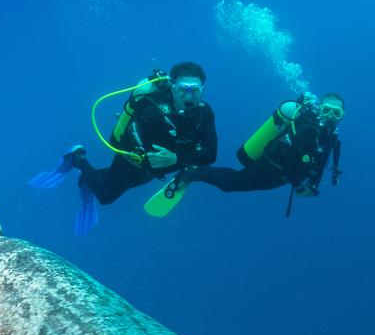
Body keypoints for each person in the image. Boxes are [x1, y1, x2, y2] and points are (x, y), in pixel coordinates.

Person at [30, 62, 218, 234]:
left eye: (195, 90)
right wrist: (149, 156)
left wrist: (177, 159)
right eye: (182, 90)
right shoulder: (153, 111)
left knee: (131, 179)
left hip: (159, 166)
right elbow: (131, 135)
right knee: (106, 196)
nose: (189, 96)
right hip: (133, 161)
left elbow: (211, 154)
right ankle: (77, 158)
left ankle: (93, 177)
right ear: (171, 86)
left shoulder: (205, 113)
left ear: (203, 88)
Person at [167, 92, 344, 216]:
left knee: (233, 180)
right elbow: (293, 164)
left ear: (342, 116)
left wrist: (313, 185)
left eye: (336, 113)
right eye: (326, 109)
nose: (330, 116)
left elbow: (321, 161)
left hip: (282, 175)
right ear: (319, 109)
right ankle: (192, 173)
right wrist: (299, 186)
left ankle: (197, 171)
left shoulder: (330, 137)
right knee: (229, 183)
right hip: (272, 168)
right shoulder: (309, 129)